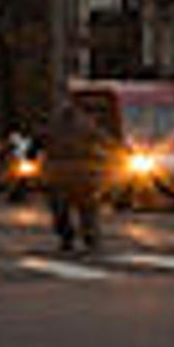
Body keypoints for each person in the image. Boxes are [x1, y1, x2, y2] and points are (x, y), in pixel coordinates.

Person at [42, 97, 111, 256]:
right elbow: (105, 141)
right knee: (86, 209)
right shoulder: (87, 125)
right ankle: (89, 239)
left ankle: (71, 238)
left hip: (60, 175)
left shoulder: (54, 126)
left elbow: (38, 143)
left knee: (64, 210)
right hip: (81, 174)